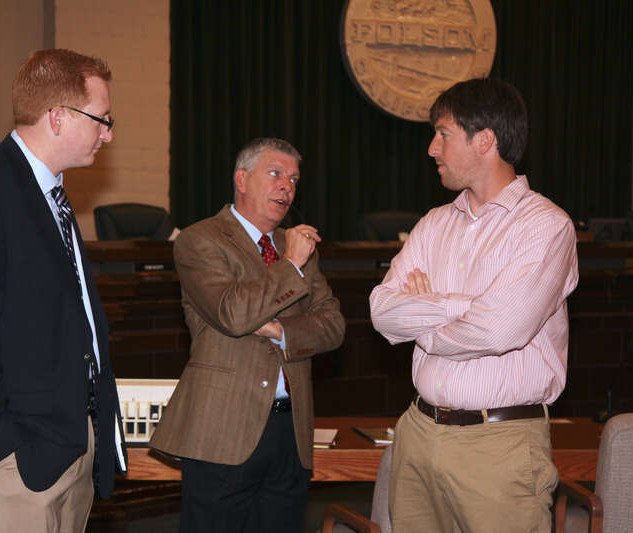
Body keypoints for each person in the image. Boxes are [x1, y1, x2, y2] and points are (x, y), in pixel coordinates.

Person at [0, 48, 127, 533]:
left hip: (69, 449)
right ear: (58, 117)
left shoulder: (52, 196)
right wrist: (2, 452)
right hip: (16, 466)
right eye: (102, 118)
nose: (109, 133)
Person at [369, 78, 579, 533]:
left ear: (485, 140)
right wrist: (461, 306)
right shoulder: (433, 223)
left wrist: (424, 310)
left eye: (442, 133)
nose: (431, 148)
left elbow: (499, 331)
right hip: (418, 434)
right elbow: (383, 311)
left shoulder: (546, 226)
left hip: (498, 444)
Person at [149, 138, 346, 533]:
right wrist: (291, 263)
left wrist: (279, 331)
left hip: (290, 432)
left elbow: (333, 326)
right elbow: (233, 313)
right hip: (222, 430)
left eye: (293, 179)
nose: (287, 186)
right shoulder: (200, 240)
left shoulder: (299, 247)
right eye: (275, 174)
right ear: (241, 179)